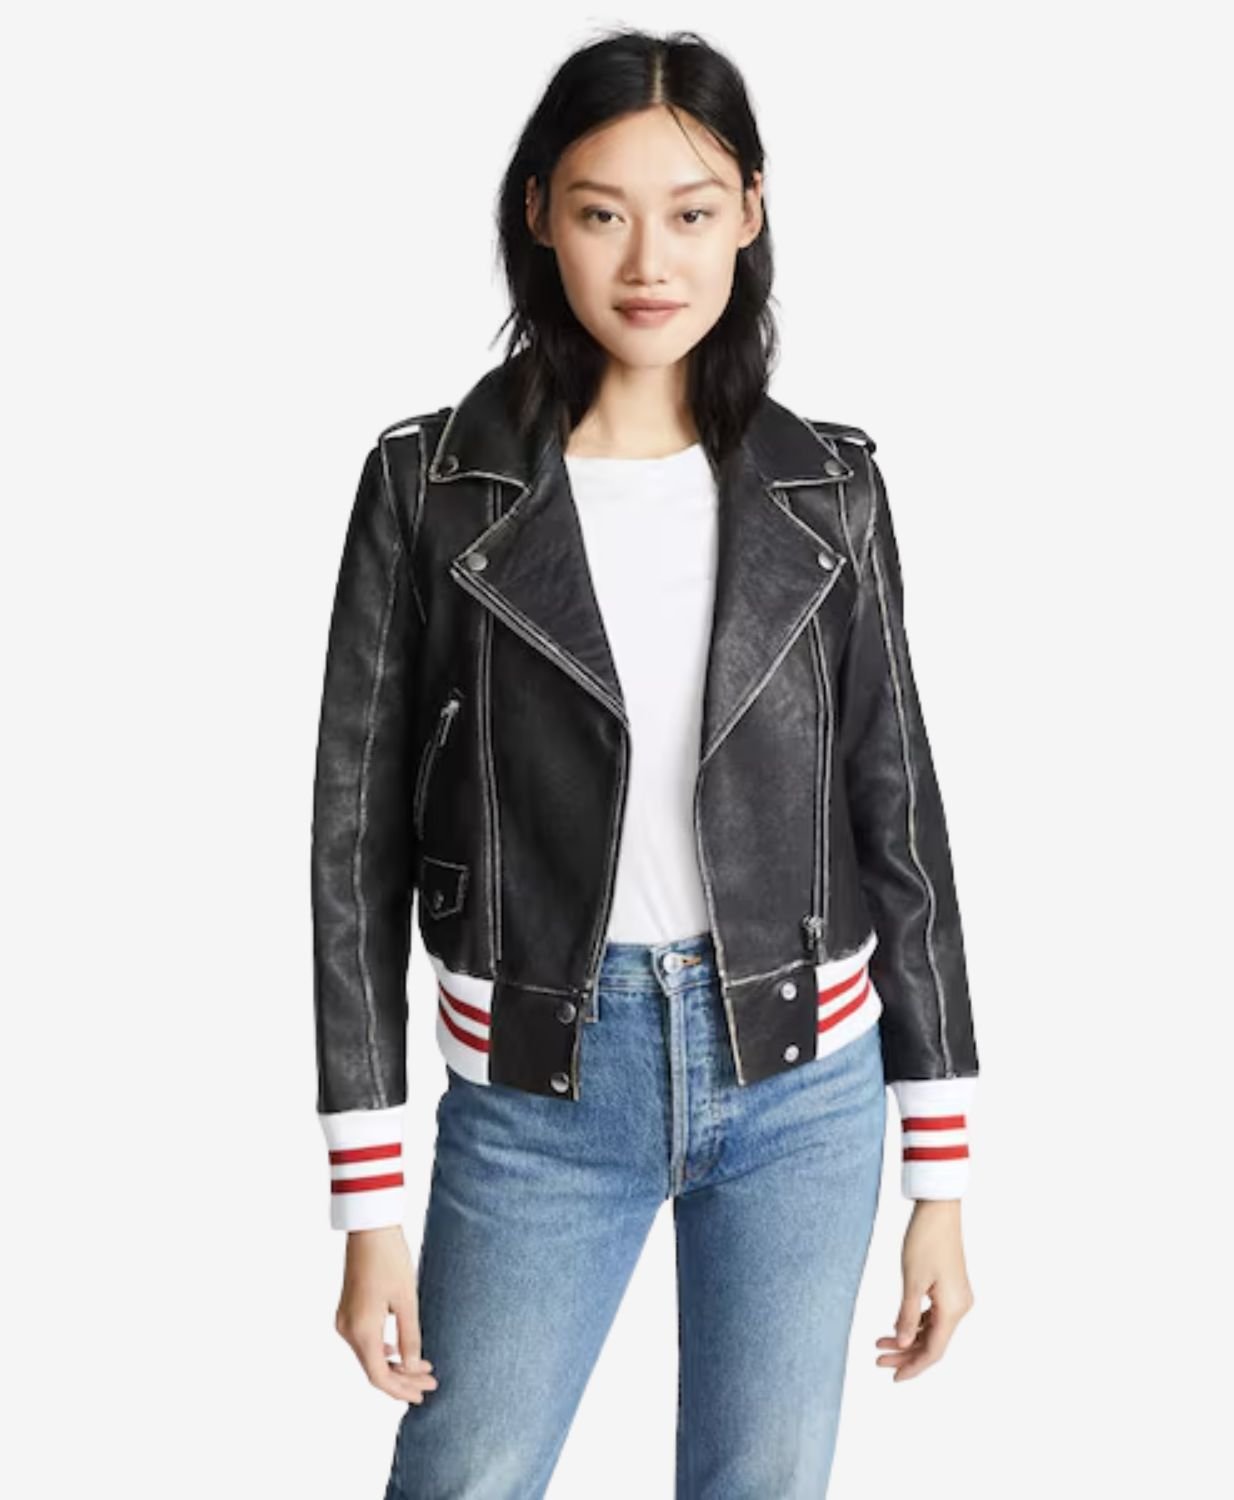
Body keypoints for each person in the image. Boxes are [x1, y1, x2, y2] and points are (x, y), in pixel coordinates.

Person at [310, 26, 981, 1499]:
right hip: (538, 1092)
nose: (648, 260)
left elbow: (900, 820)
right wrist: (368, 1203)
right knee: (465, 1478)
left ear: (751, 212)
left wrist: (940, 1175)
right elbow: (352, 849)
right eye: (603, 211)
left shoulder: (831, 490)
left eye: (691, 211)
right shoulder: (431, 487)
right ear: (539, 212)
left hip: (803, 1082)